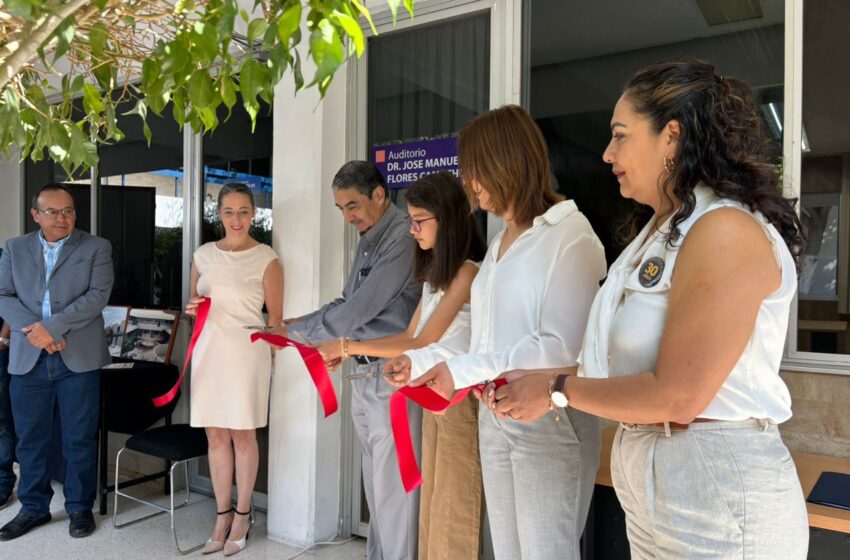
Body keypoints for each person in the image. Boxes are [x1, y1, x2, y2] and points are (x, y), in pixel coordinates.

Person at [487, 59, 810, 559]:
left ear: (671, 137)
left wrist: (554, 390)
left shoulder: (724, 229)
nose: (607, 153)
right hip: (659, 488)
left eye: (620, 135)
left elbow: (679, 395)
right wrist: (541, 382)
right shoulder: (660, 232)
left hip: (716, 492)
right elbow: (622, 366)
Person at [389, 105, 607, 560]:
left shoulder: (571, 235)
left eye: (476, 171)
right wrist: (425, 361)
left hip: (548, 419)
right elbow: (481, 337)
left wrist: (464, 368)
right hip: (495, 413)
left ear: (508, 162)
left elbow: (562, 345)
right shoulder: (501, 242)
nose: (471, 184)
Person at [315, 172, 488, 560]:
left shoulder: (468, 271)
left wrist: (348, 343)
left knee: (453, 510)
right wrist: (349, 347)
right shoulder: (436, 274)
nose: (411, 230)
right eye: (409, 220)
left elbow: (424, 341)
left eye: (418, 221)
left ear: (448, 219)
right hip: (432, 400)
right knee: (428, 511)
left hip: (457, 402)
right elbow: (411, 337)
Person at [286, 161, 422, 560]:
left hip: (393, 376)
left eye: (352, 205)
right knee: (377, 486)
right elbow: (347, 301)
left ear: (379, 195)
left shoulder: (401, 238)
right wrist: (301, 324)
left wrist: (296, 334)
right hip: (364, 375)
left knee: (395, 489)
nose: (347, 217)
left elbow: (358, 311)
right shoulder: (369, 236)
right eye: (340, 208)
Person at [0, 184, 113, 540]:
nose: (62, 217)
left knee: (78, 436)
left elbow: (97, 297)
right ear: (36, 215)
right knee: (30, 438)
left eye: (68, 211)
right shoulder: (14, 248)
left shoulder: (96, 247)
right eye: (52, 211)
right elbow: (3, 294)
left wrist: (52, 328)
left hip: (78, 355)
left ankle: (80, 508)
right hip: (27, 356)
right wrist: (36, 332)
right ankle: (34, 508)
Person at [184, 182, 283, 557]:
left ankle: (244, 514)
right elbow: (191, 303)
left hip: (246, 353)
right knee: (215, 437)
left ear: (253, 214)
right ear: (219, 214)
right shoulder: (203, 255)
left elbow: (275, 321)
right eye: (229, 212)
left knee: (243, 437)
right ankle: (221, 515)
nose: (236, 219)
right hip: (209, 351)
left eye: (244, 211)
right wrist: (193, 306)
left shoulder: (266, 258)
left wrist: (270, 361)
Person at [0, 248, 14, 511]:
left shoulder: (4, 257)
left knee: (1, 420)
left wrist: (3, 338)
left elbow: (15, 298)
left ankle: (2, 482)